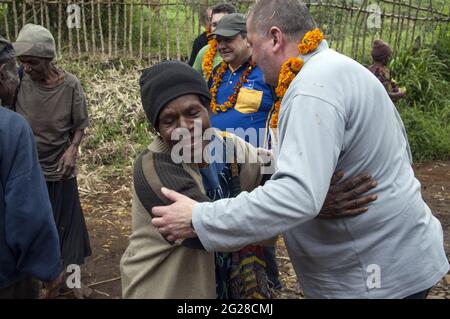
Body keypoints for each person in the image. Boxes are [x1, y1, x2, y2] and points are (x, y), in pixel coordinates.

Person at [151, 0, 449, 299]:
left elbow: (299, 196)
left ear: (276, 38)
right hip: (392, 258)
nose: (252, 57)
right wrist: (304, 186)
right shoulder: (340, 69)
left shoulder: (312, 89)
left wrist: (199, 218)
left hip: (373, 276)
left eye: (253, 45)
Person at [120, 61, 378, 299]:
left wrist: (313, 187)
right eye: (169, 120)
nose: (186, 126)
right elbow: (210, 228)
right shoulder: (156, 168)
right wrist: (309, 205)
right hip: (167, 288)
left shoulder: (228, 146)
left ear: (208, 110)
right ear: (157, 129)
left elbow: (275, 175)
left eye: (193, 112)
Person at [12, 24, 92, 299]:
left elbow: (80, 123)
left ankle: (73, 281)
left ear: (48, 59)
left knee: (68, 226)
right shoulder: (19, 79)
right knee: (35, 224)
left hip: (60, 166)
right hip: (26, 168)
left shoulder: (70, 85)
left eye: (32, 62)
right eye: (22, 62)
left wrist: (72, 149)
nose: (27, 67)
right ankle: (41, 280)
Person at [208, 13, 282, 290]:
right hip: (221, 165)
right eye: (218, 41)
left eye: (229, 40)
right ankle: (230, 286)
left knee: (258, 229)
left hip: (257, 166)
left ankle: (267, 287)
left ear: (247, 40)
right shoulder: (216, 74)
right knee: (226, 223)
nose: (222, 46)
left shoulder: (267, 73)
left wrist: (274, 150)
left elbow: (283, 112)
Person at [0, 36, 62, 299]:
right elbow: (27, 213)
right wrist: (47, 267)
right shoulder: (10, 128)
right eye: (18, 68)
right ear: (3, 72)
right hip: (6, 277)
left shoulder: (68, 85)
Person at [193, 3, 236, 81]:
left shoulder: (243, 51)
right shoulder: (204, 51)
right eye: (214, 24)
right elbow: (192, 81)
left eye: (223, 22)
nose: (218, 28)